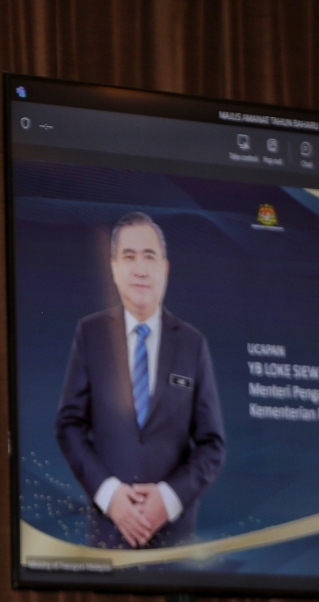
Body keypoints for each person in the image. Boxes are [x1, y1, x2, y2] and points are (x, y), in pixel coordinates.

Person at [54, 211, 225, 549]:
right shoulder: (90, 334)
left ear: (165, 268)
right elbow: (69, 425)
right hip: (108, 539)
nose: (141, 269)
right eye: (129, 257)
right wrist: (109, 494)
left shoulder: (192, 343)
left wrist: (169, 498)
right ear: (114, 268)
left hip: (176, 544)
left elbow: (211, 445)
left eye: (149, 256)